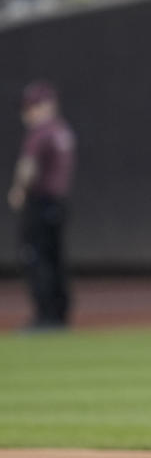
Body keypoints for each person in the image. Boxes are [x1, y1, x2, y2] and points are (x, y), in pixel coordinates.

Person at [8, 80, 77, 331]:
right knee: (54, 258)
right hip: (58, 203)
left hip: (41, 202)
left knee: (37, 259)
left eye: (31, 107)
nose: (27, 113)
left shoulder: (41, 133)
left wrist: (18, 190)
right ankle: (59, 313)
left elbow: (28, 166)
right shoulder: (62, 131)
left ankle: (46, 317)